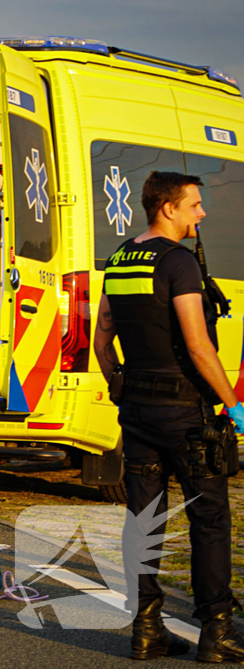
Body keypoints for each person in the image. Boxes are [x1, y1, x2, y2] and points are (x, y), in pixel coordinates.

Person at [94, 171, 244, 661]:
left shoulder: (120, 257)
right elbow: (199, 347)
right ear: (168, 208)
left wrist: (120, 383)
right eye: (195, 205)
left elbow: (102, 335)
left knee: (143, 519)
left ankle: (146, 628)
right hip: (187, 415)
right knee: (209, 520)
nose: (202, 213)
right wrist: (234, 406)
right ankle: (217, 632)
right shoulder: (179, 263)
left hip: (137, 412)